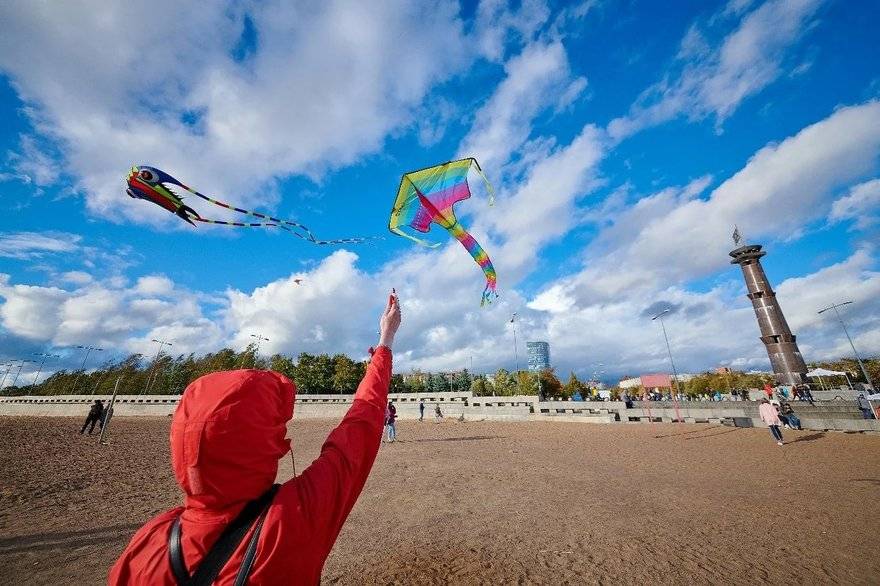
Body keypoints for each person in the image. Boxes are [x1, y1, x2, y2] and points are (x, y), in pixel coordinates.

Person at [109, 292, 402, 585]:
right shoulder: (291, 519)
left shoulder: (146, 545)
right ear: (263, 445)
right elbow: (360, 424)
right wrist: (385, 340)